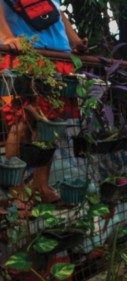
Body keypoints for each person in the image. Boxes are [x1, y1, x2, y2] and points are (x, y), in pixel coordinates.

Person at [0, 0, 87, 204]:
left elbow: (58, 13)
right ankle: (15, 188)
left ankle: (40, 185)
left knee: (50, 127)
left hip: (58, 58)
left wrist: (75, 41)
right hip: (24, 56)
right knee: (20, 122)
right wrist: (6, 37)